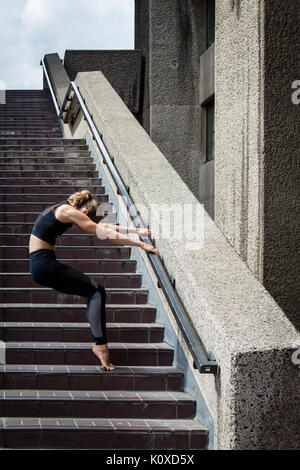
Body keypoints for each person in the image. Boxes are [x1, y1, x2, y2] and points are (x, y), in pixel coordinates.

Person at [29, 189, 159, 371]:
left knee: (94, 291)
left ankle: (100, 344)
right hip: (44, 264)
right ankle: (100, 345)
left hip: (41, 265)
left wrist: (136, 230)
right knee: (97, 291)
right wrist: (141, 244)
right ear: (84, 213)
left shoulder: (63, 208)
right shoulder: (69, 211)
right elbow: (105, 233)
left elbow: (104, 228)